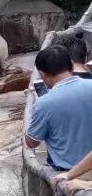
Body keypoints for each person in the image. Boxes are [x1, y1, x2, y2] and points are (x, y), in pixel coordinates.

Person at [25, 43, 92, 172]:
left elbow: (32, 142)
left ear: (42, 74)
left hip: (67, 174)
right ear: (72, 65)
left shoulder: (44, 103)